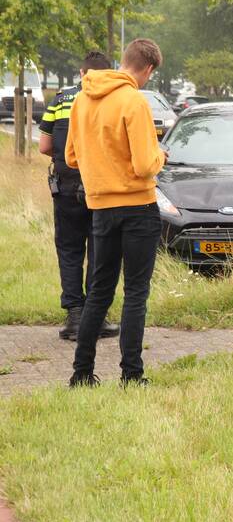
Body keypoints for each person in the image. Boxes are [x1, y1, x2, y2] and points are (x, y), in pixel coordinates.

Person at [66, 39, 167, 387]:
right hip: (138, 207)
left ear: (124, 60)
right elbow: (143, 165)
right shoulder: (133, 101)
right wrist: (161, 157)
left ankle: (81, 372)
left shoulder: (81, 99)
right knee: (136, 292)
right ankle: (131, 374)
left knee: (98, 291)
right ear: (148, 69)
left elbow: (71, 157)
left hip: (100, 209)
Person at [39, 52, 119, 342]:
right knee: (101, 251)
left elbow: (44, 145)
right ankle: (96, 319)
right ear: (108, 72)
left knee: (70, 250)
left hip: (66, 186)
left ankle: (74, 316)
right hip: (102, 185)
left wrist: (65, 157)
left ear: (82, 73)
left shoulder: (60, 99)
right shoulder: (115, 99)